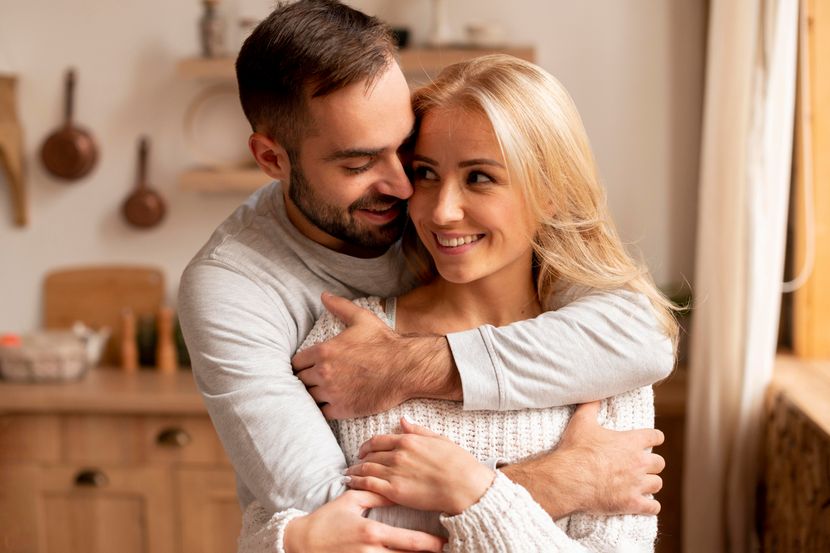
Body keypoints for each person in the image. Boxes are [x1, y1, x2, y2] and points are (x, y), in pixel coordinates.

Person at [177, 0, 673, 549]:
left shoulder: (462, 229)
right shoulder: (235, 291)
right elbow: (339, 526)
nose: (411, 191)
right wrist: (552, 480)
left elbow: (645, 337)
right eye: (359, 163)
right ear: (272, 159)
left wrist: (412, 365)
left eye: (408, 151)